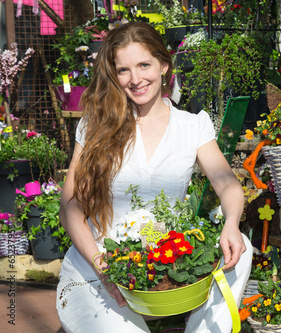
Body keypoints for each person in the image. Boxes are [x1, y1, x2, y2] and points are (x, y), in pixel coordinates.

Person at [56, 22, 252, 333]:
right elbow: (69, 208)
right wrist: (101, 265)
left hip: (161, 273)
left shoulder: (192, 126)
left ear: (163, 65)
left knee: (239, 247)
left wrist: (231, 224)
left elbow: (226, 182)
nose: (135, 80)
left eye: (144, 65)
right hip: (98, 274)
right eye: (123, 70)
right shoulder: (97, 125)